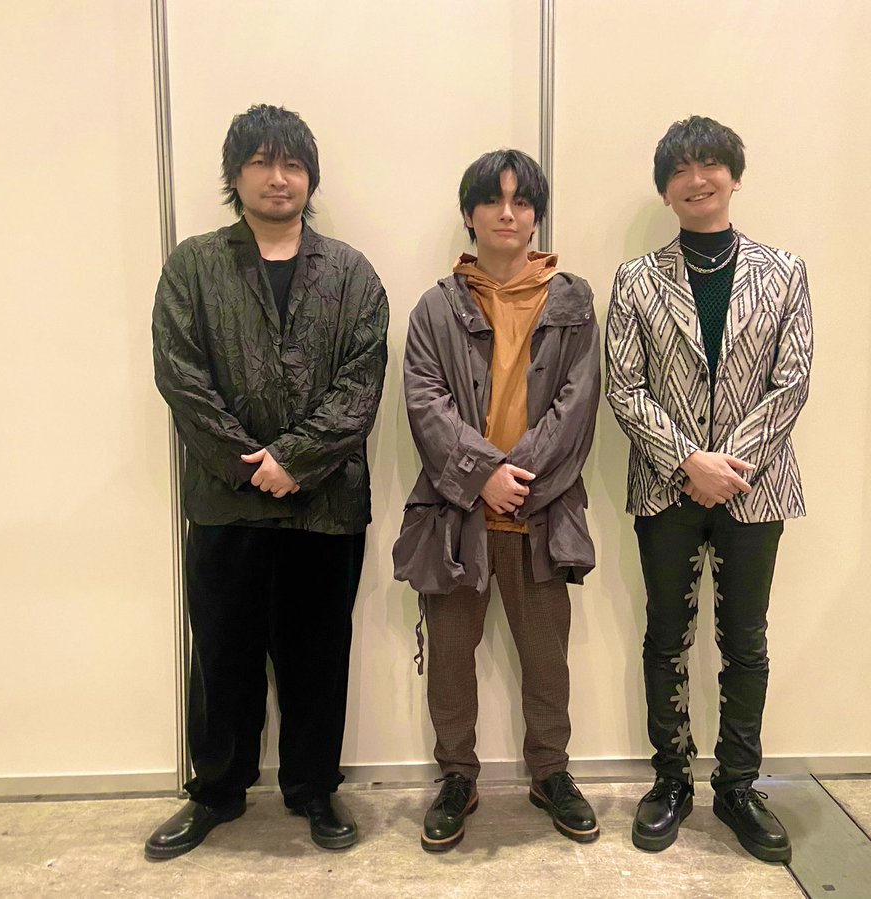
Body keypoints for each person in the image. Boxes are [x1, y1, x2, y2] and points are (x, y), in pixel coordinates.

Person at [146, 104, 388, 859]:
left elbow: (362, 382)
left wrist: (295, 460)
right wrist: (252, 463)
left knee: (318, 656)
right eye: (261, 162)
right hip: (226, 503)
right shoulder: (193, 265)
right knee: (223, 654)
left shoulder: (350, 272)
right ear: (236, 174)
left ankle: (314, 789)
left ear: (310, 177)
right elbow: (180, 374)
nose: (278, 177)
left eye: (292, 164)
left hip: (325, 505)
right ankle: (215, 792)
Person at [605, 115, 812, 861]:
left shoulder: (785, 271)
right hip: (668, 488)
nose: (697, 179)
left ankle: (737, 785)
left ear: (734, 175)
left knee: (745, 640)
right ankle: (670, 782)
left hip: (758, 489)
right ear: (666, 190)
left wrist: (729, 466)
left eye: (710, 165)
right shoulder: (636, 279)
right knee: (666, 636)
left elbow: (793, 381)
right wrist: (690, 461)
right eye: (680, 170)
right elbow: (624, 387)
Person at [393, 149, 601, 852]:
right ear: (469, 213)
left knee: (547, 657)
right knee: (451, 659)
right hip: (456, 517)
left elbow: (577, 407)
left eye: (521, 201)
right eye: (492, 199)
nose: (507, 213)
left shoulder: (572, 303)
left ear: (536, 215)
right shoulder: (436, 308)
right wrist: (483, 474)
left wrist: (519, 477)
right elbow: (425, 403)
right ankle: (457, 775)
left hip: (541, 513)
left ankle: (551, 772)